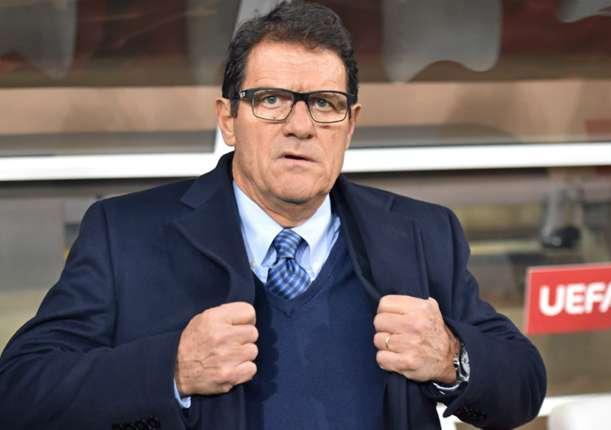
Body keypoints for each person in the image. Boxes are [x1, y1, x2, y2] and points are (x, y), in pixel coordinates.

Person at [0, 2, 546, 429]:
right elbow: (19, 394)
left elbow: (522, 388)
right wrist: (172, 368)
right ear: (229, 119)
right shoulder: (126, 234)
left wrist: (451, 358)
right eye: (271, 100)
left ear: (350, 125)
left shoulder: (421, 234)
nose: (300, 126)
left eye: (325, 103)